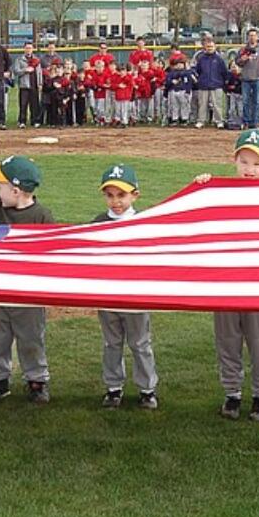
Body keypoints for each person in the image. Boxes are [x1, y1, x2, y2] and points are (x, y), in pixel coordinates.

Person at [191, 129, 259, 421]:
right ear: (234, 161)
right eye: (244, 162)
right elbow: (197, 218)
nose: (250, 169)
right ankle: (232, 393)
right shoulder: (220, 195)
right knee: (227, 340)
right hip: (225, 284)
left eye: (257, 163)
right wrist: (200, 188)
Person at [0, 156, 56, 403]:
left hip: (28, 292)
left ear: (16, 191)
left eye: (0, 185)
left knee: (31, 337)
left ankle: (37, 379)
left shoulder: (41, 216)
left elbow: (51, 253)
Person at [93, 163, 160, 409]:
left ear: (135, 195)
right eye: (110, 196)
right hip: (107, 295)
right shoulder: (98, 223)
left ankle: (147, 389)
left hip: (134, 296)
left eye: (121, 195)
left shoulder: (143, 223)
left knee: (140, 343)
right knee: (112, 343)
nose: (115, 201)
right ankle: (113, 388)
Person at [237, 29, 259, 130]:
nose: (252, 37)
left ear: (257, 37)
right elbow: (238, 62)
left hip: (257, 78)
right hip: (245, 78)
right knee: (245, 101)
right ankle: (246, 122)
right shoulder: (243, 49)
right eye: (250, 35)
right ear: (248, 37)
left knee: (256, 102)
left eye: (254, 35)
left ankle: (255, 122)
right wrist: (243, 59)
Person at [192, 36, 228, 129]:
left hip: (216, 85)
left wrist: (223, 83)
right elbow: (198, 71)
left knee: (217, 105)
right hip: (203, 85)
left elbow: (224, 72)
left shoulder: (219, 59)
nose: (210, 48)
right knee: (202, 105)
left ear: (215, 47)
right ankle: (201, 121)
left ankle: (219, 121)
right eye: (208, 47)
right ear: (205, 48)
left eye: (211, 47)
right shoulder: (201, 59)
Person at [16, 42, 43, 128]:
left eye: (30, 48)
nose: (28, 50)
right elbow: (16, 71)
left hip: (34, 84)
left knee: (34, 104)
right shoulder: (20, 59)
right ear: (24, 49)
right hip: (24, 85)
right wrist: (25, 70)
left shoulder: (36, 59)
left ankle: (34, 121)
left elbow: (39, 72)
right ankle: (22, 121)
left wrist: (40, 83)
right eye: (27, 48)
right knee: (23, 104)